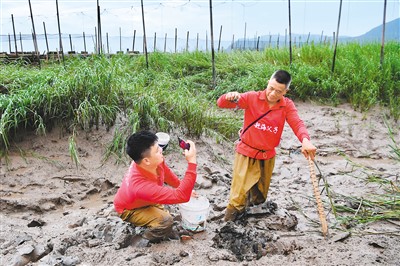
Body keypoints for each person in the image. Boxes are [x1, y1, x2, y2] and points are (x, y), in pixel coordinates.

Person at [216, 69, 317, 222]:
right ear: (268, 83)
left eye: (278, 91)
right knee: (238, 195)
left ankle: (252, 220)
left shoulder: (286, 105)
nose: (272, 94)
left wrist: (305, 140)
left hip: (267, 156)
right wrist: (228, 96)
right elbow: (221, 103)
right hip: (246, 153)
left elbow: (297, 123)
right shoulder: (252, 98)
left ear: (286, 91)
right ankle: (229, 222)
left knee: (260, 194)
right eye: (271, 88)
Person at [113, 130, 197, 244]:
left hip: (143, 200)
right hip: (129, 209)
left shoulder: (155, 160)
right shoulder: (140, 186)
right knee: (166, 221)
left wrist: (182, 186)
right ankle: (142, 240)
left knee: (164, 213)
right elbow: (182, 196)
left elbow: (167, 174)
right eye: (157, 150)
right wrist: (192, 161)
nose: (161, 150)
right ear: (146, 160)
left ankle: (150, 217)